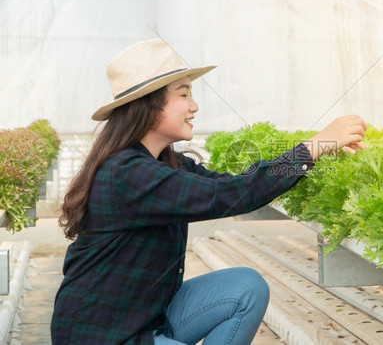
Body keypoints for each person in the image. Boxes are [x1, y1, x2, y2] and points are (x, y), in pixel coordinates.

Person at [51, 38, 366, 345]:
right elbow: (233, 195)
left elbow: (237, 184)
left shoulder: (168, 164)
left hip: (144, 319)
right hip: (102, 335)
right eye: (184, 94)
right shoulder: (129, 174)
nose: (194, 106)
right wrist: (314, 146)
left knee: (246, 287)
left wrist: (316, 156)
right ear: (148, 104)